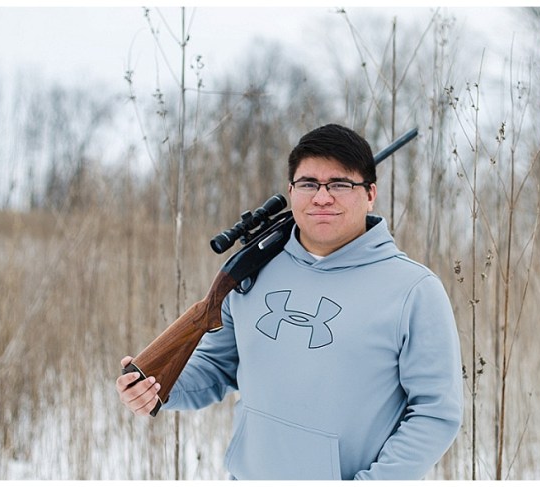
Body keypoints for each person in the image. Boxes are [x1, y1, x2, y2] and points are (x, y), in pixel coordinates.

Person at [116, 123, 464, 480]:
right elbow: (217, 367)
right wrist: (157, 388)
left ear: (370, 193)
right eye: (309, 184)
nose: (322, 198)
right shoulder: (251, 272)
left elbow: (435, 414)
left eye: (340, 184)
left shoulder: (414, 290)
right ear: (290, 191)